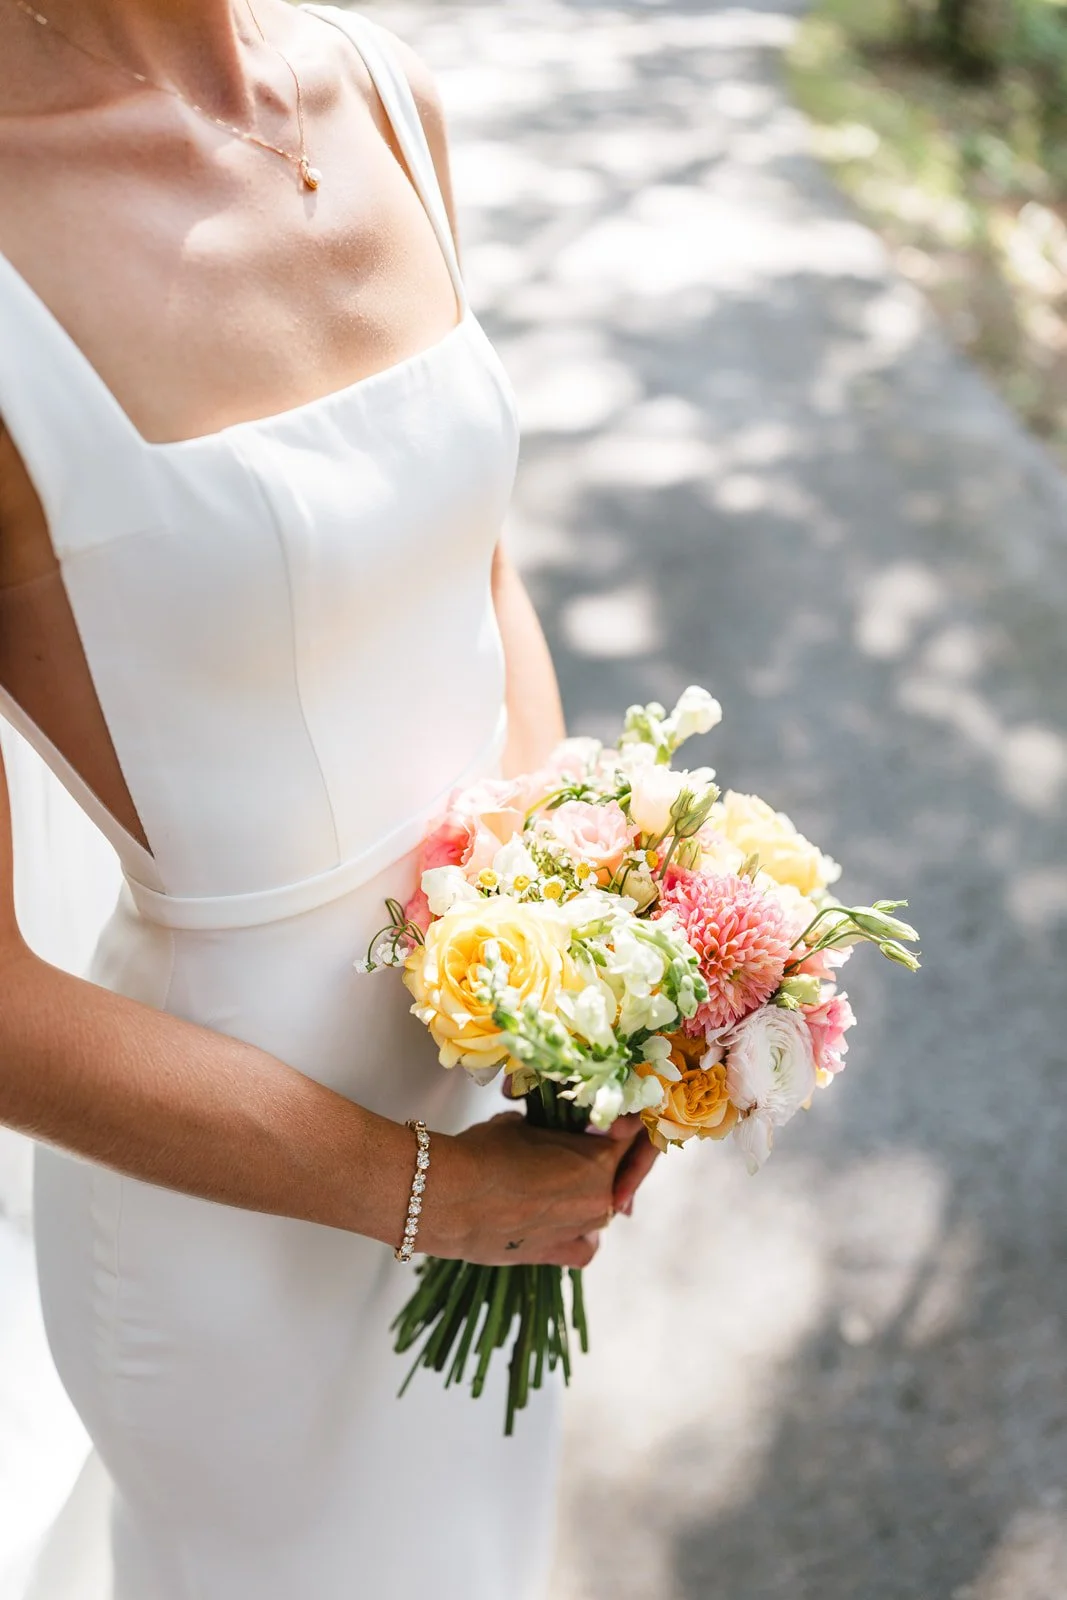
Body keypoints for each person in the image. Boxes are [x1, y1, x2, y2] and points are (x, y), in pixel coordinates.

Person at [0, 4, 658, 1595]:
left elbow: (473, 564)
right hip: (233, 1209)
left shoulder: (377, 92)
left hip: (495, 1105)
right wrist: (428, 1196)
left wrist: (586, 940)